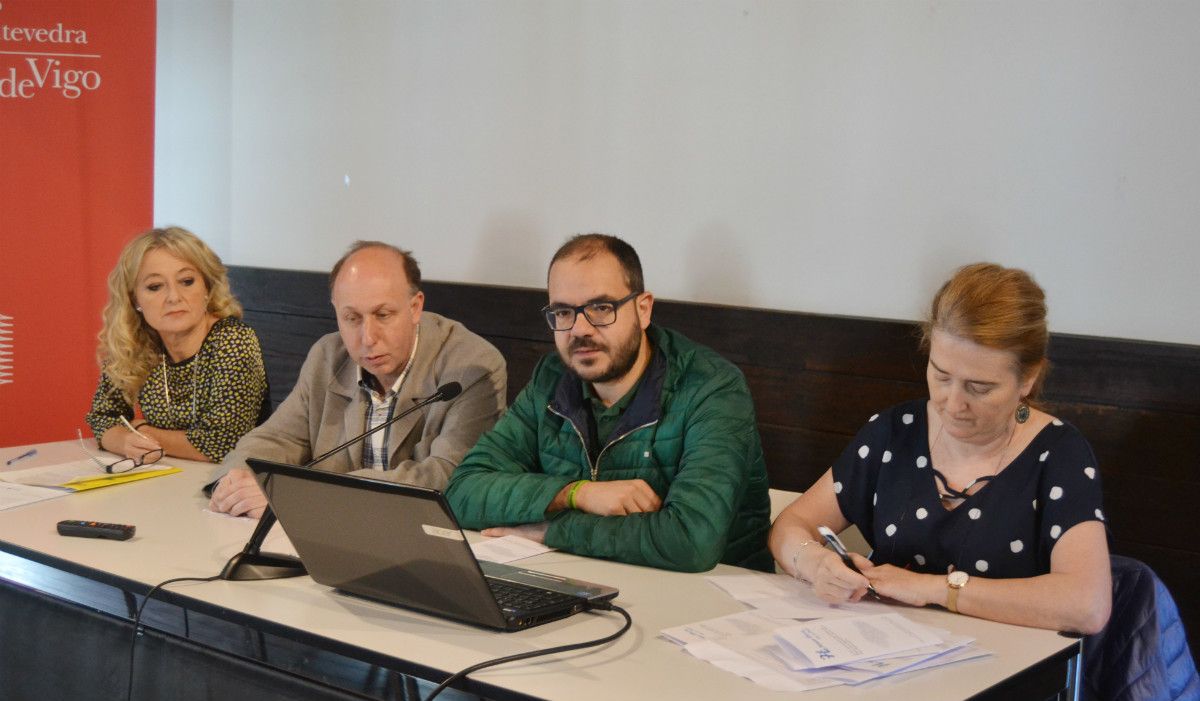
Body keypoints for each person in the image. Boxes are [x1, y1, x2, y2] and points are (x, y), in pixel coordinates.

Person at [769, 262, 1112, 634]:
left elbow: (1086, 604)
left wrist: (934, 589)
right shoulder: (894, 433)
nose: (952, 403)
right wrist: (814, 562)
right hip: (882, 653)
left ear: (1027, 378)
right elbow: (790, 525)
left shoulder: (1059, 454)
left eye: (979, 388)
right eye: (940, 375)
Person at [445, 234, 772, 573]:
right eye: (563, 312)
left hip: (715, 599)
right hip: (584, 576)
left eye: (601, 308)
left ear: (643, 310)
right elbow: (462, 490)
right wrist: (576, 494)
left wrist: (554, 530)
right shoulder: (552, 377)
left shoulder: (712, 387)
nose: (579, 329)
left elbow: (691, 541)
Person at [209, 241, 506, 518]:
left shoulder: (470, 367)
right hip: (332, 534)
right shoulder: (328, 356)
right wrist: (239, 481)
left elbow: (447, 477)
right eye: (352, 318)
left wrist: (304, 497)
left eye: (383, 315)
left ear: (415, 308)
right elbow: (276, 438)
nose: (368, 338)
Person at [86, 227, 269, 464]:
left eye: (186, 281)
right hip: (166, 478)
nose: (174, 297)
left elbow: (223, 444)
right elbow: (102, 417)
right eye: (155, 286)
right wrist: (123, 440)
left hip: (230, 484)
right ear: (135, 299)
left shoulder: (233, 340)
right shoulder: (136, 340)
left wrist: (144, 431)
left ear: (207, 287)